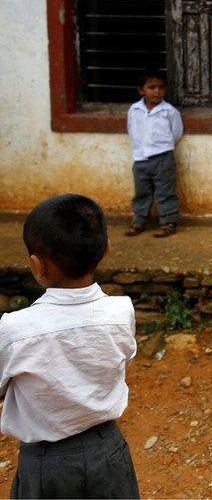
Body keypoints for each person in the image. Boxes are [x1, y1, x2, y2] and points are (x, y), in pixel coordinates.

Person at [0, 194, 139, 497]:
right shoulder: (121, 312)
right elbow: (120, 361)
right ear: (106, 249)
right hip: (109, 452)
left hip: (46, 466)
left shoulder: (14, 330)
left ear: (37, 265)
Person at [125, 70, 184, 238]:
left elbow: (176, 133)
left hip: (163, 157)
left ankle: (168, 222)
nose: (157, 91)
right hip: (140, 158)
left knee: (165, 191)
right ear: (141, 90)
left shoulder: (169, 111)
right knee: (141, 191)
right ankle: (139, 221)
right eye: (152, 87)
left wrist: (161, 146)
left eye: (161, 87)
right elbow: (132, 130)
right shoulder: (134, 110)